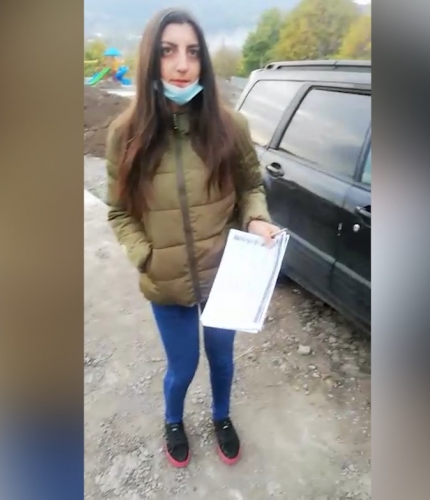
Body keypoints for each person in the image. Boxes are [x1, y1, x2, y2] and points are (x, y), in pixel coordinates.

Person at [104, 8, 281, 468]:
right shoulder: (125, 135)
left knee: (222, 359)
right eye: (168, 51)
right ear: (150, 59)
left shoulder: (230, 127)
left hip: (225, 277)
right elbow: (119, 210)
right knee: (182, 367)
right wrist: (146, 256)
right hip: (167, 283)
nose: (182, 64)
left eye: (193, 52)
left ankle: (221, 416)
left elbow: (251, 186)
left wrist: (256, 218)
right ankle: (173, 420)